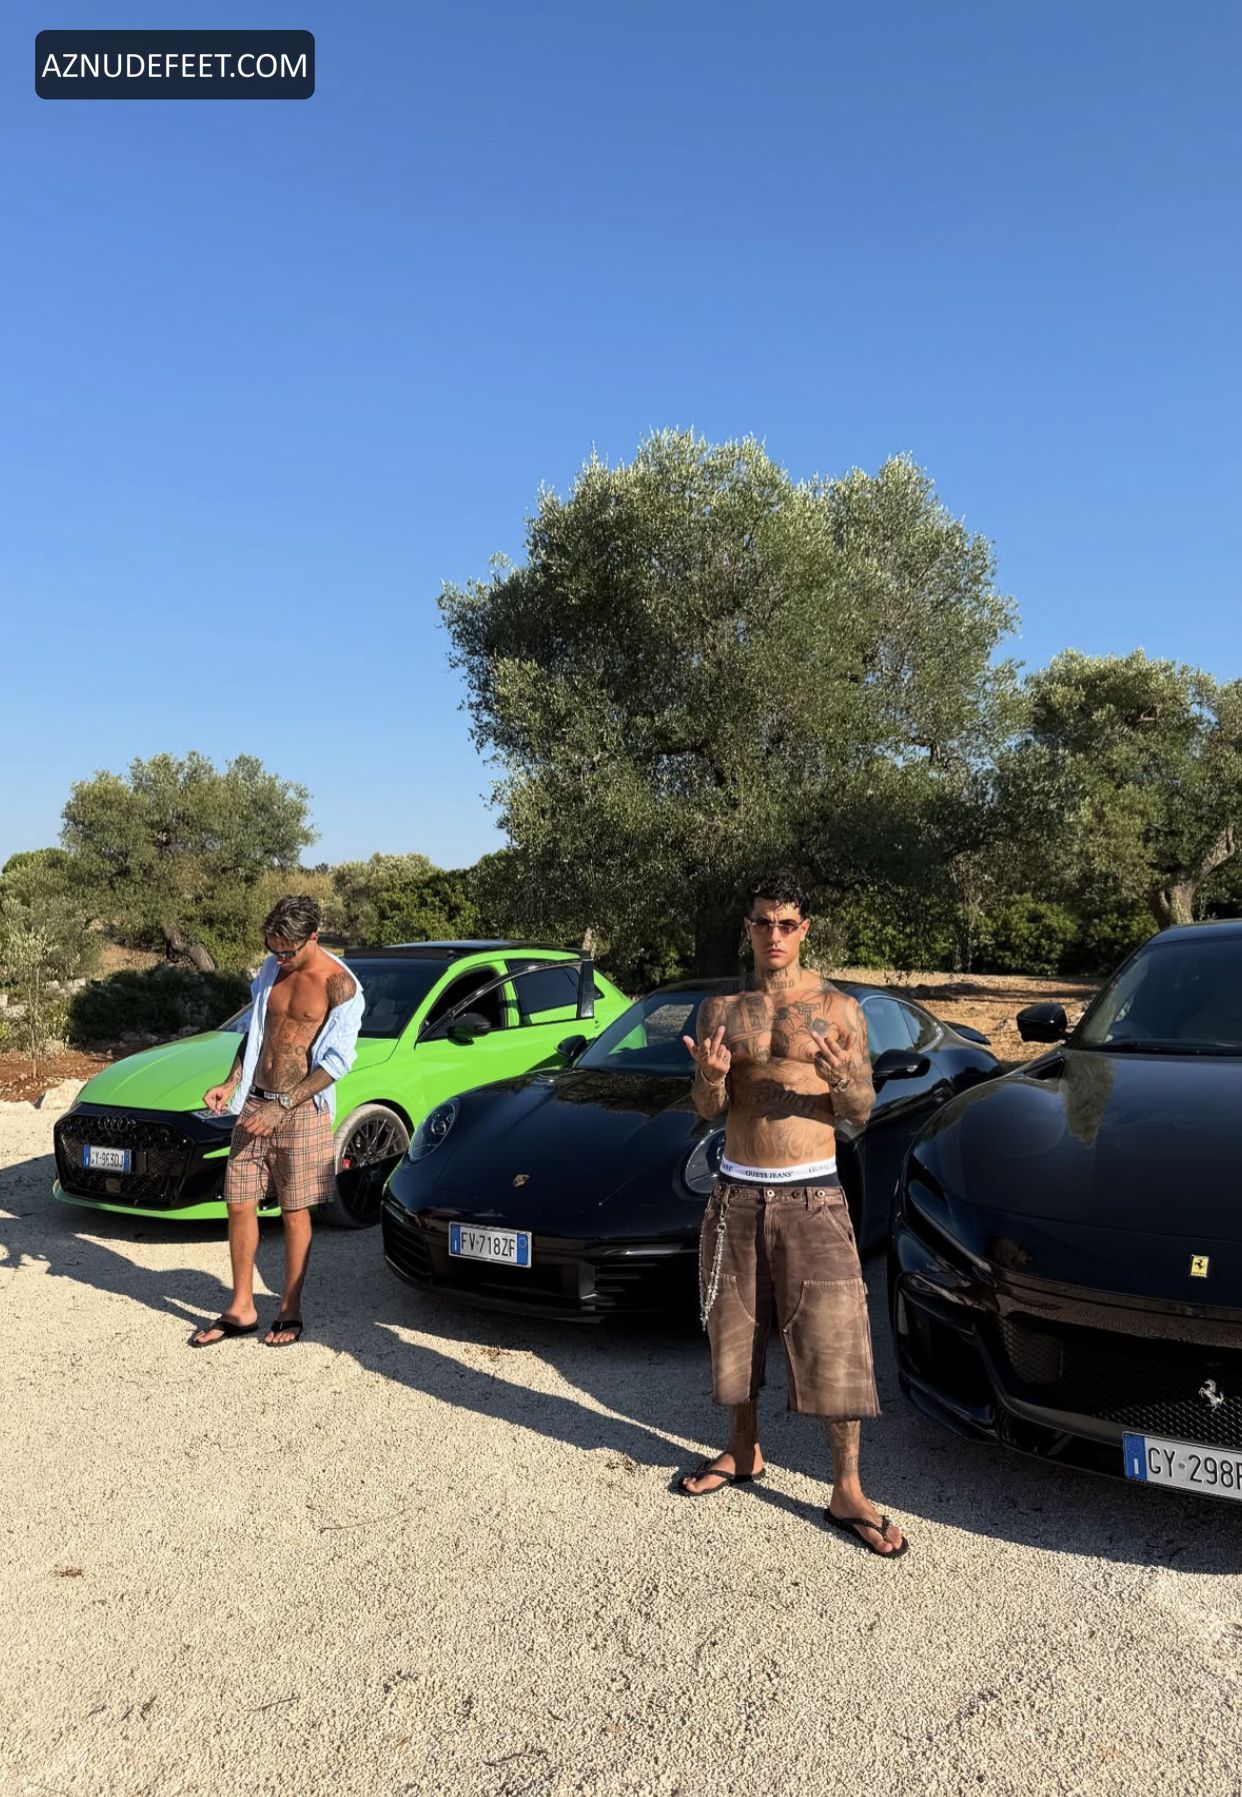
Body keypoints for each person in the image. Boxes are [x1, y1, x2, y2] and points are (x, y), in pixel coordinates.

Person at [679, 872, 908, 1558]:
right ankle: (742, 1450)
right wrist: (710, 1079)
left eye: (786, 923)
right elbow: (707, 1109)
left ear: (804, 929)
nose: (773, 934)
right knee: (734, 1332)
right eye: (762, 922)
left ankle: (847, 1489)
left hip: (813, 1195)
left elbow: (861, 1112)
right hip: (737, 1193)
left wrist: (844, 1081)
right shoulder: (719, 1010)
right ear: (747, 927)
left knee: (836, 1340)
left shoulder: (840, 1010)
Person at [190, 895, 365, 1349]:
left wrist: (283, 1105)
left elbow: (337, 1062)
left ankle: (289, 1308)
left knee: (294, 1210)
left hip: (302, 1110)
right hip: (255, 1102)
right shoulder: (272, 970)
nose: (279, 958)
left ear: (313, 937)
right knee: (238, 1202)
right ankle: (241, 1308)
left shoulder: (340, 985)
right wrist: (231, 1082)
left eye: (288, 951)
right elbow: (258, 1031)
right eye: (273, 949)